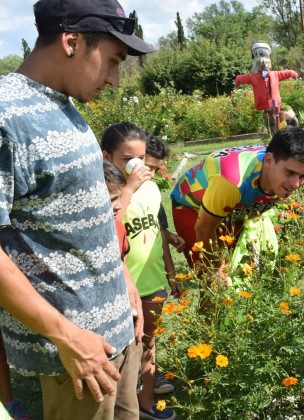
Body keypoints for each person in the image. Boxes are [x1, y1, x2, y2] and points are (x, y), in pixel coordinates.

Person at [0, 0, 155, 417]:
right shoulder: (5, 115)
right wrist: (67, 337)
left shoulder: (63, 107)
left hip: (115, 334)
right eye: (112, 61)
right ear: (71, 41)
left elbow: (81, 216)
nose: (115, 79)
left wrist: (120, 277)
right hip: (74, 357)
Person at [101, 123, 178, 420]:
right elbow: (114, 217)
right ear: (106, 157)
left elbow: (157, 232)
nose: (138, 166)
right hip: (122, 287)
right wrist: (130, 185)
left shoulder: (151, 188)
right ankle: (124, 406)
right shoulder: (106, 192)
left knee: (150, 345)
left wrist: (169, 272)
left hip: (152, 279)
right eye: (127, 160)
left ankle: (145, 403)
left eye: (142, 159)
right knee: (123, 354)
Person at [171, 127, 304, 268]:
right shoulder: (233, 182)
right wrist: (216, 269)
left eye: (302, 176)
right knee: (210, 274)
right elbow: (204, 229)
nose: (296, 184)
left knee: (238, 270)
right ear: (268, 160)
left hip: (233, 206)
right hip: (191, 206)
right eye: (289, 173)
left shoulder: (278, 176)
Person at [234, 42, 298, 134]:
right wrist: (293, 74)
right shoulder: (272, 75)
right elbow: (288, 72)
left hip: (269, 103)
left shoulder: (256, 77)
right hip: (270, 103)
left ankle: (276, 133)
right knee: (273, 119)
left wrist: (237, 82)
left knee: (273, 119)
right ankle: (276, 133)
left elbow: (240, 78)